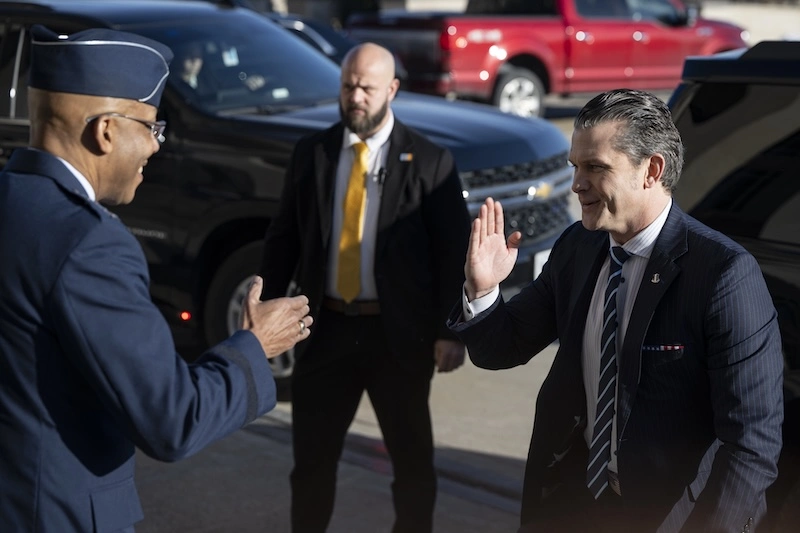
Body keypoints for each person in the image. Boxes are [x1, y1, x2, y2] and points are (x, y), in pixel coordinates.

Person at [0, 25, 312, 532]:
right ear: (105, 132)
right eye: (150, 126)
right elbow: (172, 420)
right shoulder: (89, 242)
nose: (155, 146)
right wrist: (255, 345)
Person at [448, 89, 784, 532]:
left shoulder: (723, 275)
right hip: (570, 504)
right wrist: (485, 290)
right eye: (574, 167)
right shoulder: (577, 246)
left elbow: (750, 445)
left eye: (595, 168)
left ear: (652, 170)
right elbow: (498, 350)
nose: (576, 184)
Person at [259, 42, 471, 532]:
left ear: (392, 90)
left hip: (397, 338)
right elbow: (284, 236)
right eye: (348, 85)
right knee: (311, 465)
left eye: (367, 88)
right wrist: (265, 307)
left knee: (412, 466)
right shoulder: (312, 153)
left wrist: (451, 331)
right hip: (325, 330)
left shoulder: (430, 162)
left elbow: (451, 253)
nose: (355, 97)